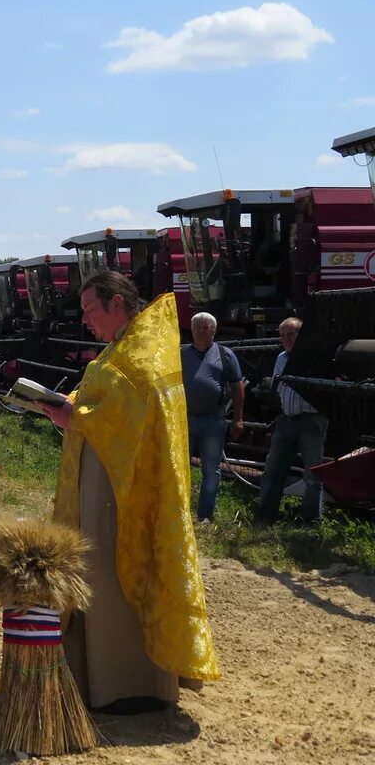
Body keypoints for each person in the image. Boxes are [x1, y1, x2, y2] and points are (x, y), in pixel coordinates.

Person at [37, 271, 220, 713]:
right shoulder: (122, 347)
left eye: (89, 309)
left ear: (116, 302)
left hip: (125, 493)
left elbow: (120, 415)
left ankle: (127, 684)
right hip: (105, 481)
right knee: (95, 568)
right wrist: (71, 404)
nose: (85, 319)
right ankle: (95, 675)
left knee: (112, 571)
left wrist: (75, 415)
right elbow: (105, 403)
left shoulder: (140, 353)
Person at [257, 317, 328, 524]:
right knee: (272, 470)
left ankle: (310, 521)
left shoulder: (315, 357)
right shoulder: (280, 358)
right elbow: (278, 388)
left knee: (313, 475)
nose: (286, 339)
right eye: (282, 335)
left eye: (291, 334)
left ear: (301, 335)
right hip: (286, 420)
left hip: (311, 421)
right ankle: (265, 516)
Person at [180, 312, 244, 523]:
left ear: (213, 331)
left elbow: (237, 387)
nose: (201, 330)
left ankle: (204, 515)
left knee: (211, 468)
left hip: (213, 420)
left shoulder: (226, 355)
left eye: (205, 327)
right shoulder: (180, 354)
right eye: (197, 326)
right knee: (180, 467)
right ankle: (180, 512)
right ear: (191, 328)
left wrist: (238, 418)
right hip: (185, 418)